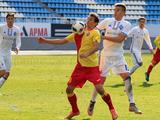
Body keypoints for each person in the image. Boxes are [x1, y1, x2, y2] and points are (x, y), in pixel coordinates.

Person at [38, 12, 118, 120]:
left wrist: (86, 54)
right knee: (69, 90)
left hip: (92, 68)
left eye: (90, 20)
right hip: (80, 67)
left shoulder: (95, 32)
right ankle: (75, 111)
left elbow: (96, 47)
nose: (88, 21)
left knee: (100, 89)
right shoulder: (79, 32)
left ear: (95, 23)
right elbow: (63, 41)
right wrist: (45, 41)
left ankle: (112, 110)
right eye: (88, 18)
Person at [87, 3, 142, 116]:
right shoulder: (107, 21)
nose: (115, 12)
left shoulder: (126, 24)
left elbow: (120, 39)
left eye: (117, 10)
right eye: (115, 10)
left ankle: (132, 104)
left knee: (127, 77)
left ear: (123, 12)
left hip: (118, 56)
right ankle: (92, 102)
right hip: (106, 55)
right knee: (100, 82)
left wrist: (103, 36)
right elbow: (95, 30)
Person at [0, 13, 21, 88]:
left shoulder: (17, 29)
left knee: (7, 74)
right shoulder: (2, 27)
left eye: (12, 19)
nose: (10, 20)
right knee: (2, 71)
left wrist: (17, 47)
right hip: (0, 51)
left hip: (8, 53)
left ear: (14, 19)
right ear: (6, 19)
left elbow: (18, 41)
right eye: (8, 19)